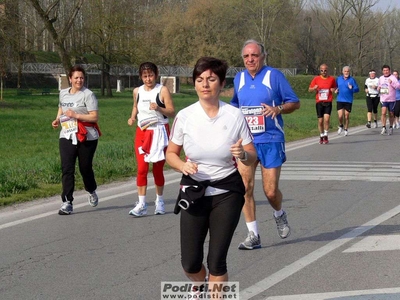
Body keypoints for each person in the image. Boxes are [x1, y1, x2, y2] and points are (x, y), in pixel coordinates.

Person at [166, 57, 256, 297]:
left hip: (227, 191)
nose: (205, 84)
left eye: (211, 79)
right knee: (190, 263)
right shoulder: (185, 116)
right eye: (199, 80)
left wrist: (242, 154)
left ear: (221, 83)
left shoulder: (234, 115)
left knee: (217, 261)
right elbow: (171, 154)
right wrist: (183, 166)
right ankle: (199, 282)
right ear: (195, 84)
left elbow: (252, 155)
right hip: (195, 191)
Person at [230, 39, 300, 250]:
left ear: (262, 56)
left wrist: (278, 109)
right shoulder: (239, 78)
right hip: (246, 142)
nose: (250, 59)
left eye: (254, 55)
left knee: (270, 191)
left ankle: (279, 213)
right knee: (245, 188)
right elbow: (235, 105)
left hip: (270, 139)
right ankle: (253, 235)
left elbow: (294, 102)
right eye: (246, 56)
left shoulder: (274, 76)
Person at [51, 65, 101, 215]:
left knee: (85, 168)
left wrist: (76, 115)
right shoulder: (63, 93)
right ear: (70, 79)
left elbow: (94, 116)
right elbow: (61, 108)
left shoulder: (88, 95)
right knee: (67, 168)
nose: (79, 80)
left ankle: (91, 190)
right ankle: (67, 201)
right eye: (76, 77)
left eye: (81, 77)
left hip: (87, 135)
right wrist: (57, 119)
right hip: (67, 134)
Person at [127, 62, 175, 216]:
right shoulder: (137, 91)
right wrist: (132, 117)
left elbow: (172, 112)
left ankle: (159, 200)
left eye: (151, 75)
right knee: (141, 168)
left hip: (160, 132)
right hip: (142, 132)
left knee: (157, 169)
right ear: (141, 77)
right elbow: (135, 106)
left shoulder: (162, 90)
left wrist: (159, 108)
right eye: (145, 76)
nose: (148, 79)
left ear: (156, 74)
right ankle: (141, 204)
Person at [308, 63, 337, 144]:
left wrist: (333, 90)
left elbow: (335, 88)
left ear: (327, 71)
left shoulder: (331, 79)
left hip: (328, 102)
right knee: (320, 121)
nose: (323, 72)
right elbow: (309, 89)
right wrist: (314, 88)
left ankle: (326, 134)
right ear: (320, 70)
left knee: (327, 119)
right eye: (322, 70)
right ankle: (321, 135)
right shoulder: (316, 79)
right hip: (319, 102)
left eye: (325, 70)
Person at [336, 66, 359, 136]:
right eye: (345, 71)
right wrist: (336, 90)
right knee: (340, 116)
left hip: (348, 100)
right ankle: (340, 125)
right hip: (340, 99)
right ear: (343, 72)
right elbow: (334, 87)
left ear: (349, 72)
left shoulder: (352, 80)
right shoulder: (338, 79)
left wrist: (352, 88)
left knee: (346, 116)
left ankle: (346, 129)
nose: (346, 73)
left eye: (347, 71)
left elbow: (357, 89)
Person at [378, 65, 400, 135]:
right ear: (382, 71)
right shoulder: (381, 78)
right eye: (384, 70)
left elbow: (398, 86)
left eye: (387, 70)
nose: (386, 72)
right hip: (383, 98)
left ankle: (390, 127)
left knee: (391, 114)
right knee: (383, 113)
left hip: (391, 99)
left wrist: (391, 83)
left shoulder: (393, 78)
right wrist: (378, 88)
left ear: (389, 70)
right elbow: (379, 85)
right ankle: (384, 127)